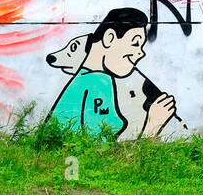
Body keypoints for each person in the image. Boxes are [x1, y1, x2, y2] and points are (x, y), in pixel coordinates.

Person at [48, 8, 176, 138]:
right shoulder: (97, 82)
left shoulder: (87, 79)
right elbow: (102, 152)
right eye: (135, 43)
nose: (140, 53)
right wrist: (153, 125)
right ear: (109, 38)